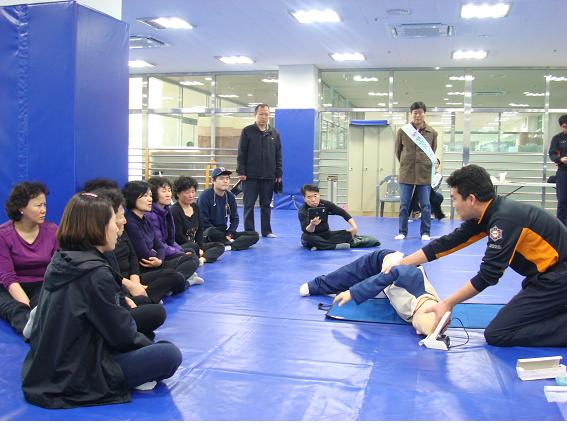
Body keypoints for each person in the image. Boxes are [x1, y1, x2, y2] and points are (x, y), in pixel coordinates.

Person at [22, 192, 182, 408]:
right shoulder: (94, 273)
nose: (118, 227)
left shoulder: (63, 258)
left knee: (149, 319)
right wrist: (146, 347)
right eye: (113, 222)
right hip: (76, 374)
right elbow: (121, 334)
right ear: (97, 228)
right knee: (168, 354)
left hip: (52, 364)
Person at [385, 164, 567, 347]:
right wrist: (401, 264)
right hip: (546, 278)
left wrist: (447, 303)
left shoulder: (504, 220)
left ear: (471, 199)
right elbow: (447, 243)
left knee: (498, 334)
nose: (454, 205)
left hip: (558, 279)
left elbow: (489, 275)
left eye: (454, 199)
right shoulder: (488, 214)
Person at [299, 249, 440, 336]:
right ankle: (314, 285)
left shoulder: (429, 306)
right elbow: (388, 274)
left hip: (391, 287)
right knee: (342, 277)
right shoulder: (412, 278)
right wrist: (352, 293)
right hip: (380, 263)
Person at [0, 182, 58, 335]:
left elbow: (57, 267)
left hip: (41, 284)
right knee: (14, 310)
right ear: (21, 208)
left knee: (45, 307)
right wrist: (27, 308)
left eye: (44, 205)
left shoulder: (52, 230)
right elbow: (8, 277)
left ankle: (44, 330)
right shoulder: (3, 234)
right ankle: (31, 331)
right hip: (9, 287)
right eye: (38, 205)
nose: (43, 210)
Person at [122, 181, 199, 285]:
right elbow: (144, 253)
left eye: (150, 195)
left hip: (156, 261)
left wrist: (160, 260)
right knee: (186, 264)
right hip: (145, 266)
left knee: (192, 258)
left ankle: (177, 280)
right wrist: (159, 257)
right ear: (132, 198)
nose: (150, 199)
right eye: (145, 196)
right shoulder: (130, 222)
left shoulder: (145, 219)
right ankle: (182, 281)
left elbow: (159, 246)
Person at [145, 177, 203, 285]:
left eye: (169, 190)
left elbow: (170, 240)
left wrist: (181, 251)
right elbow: (159, 244)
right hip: (158, 255)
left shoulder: (166, 210)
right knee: (192, 259)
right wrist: (180, 253)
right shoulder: (152, 214)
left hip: (165, 251)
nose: (168, 194)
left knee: (192, 251)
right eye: (163, 191)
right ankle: (180, 280)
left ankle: (180, 276)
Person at [236, 103, 282, 238]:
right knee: (248, 205)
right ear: (255, 115)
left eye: (266, 114)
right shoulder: (247, 131)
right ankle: (249, 231)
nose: (264, 117)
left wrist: (278, 173)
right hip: (250, 176)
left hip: (269, 176)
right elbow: (241, 152)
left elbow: (278, 155)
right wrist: (241, 171)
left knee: (266, 205)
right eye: (261, 114)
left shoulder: (274, 133)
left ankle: (266, 231)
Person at [395, 101, 438, 241]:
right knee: (404, 205)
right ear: (411, 114)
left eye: (420, 112)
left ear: (424, 114)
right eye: (415, 113)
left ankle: (425, 232)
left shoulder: (432, 133)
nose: (418, 115)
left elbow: (432, 152)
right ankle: (402, 232)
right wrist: (407, 163)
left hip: (424, 173)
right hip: (406, 172)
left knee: (425, 205)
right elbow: (398, 152)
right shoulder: (403, 131)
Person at [298, 184, 380, 251]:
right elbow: (307, 230)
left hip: (326, 234)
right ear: (304, 199)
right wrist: (312, 224)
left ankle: (320, 246)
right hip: (312, 236)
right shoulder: (302, 211)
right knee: (307, 238)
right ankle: (333, 246)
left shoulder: (325, 204)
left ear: (319, 195)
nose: (313, 199)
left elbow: (342, 212)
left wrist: (354, 226)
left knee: (347, 233)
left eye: (315, 196)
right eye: (309, 197)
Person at [198, 167, 259, 251]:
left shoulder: (230, 196)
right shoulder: (205, 196)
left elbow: (235, 219)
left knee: (254, 235)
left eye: (227, 178)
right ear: (213, 181)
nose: (225, 181)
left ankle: (228, 245)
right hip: (209, 232)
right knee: (211, 232)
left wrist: (230, 233)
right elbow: (203, 222)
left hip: (224, 232)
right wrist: (221, 235)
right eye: (221, 178)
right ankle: (230, 243)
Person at [171, 176, 225, 263]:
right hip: (182, 246)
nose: (191, 195)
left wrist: (200, 246)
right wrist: (196, 248)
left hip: (195, 245)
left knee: (220, 246)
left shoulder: (195, 207)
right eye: (187, 192)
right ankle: (196, 257)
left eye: (193, 192)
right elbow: (178, 236)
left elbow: (200, 229)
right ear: (178, 194)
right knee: (191, 250)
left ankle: (202, 259)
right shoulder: (174, 211)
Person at [548, 114, 567, 224]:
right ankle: (562, 228)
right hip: (563, 172)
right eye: (564, 127)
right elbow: (552, 154)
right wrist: (560, 159)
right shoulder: (557, 139)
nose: (566, 129)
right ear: (561, 126)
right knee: (562, 201)